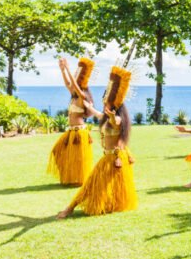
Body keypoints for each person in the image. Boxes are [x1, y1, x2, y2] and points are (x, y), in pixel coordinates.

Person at [57, 64, 137, 219]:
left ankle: (69, 209)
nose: (103, 101)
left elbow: (116, 121)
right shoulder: (104, 117)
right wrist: (88, 106)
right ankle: (77, 207)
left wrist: (112, 116)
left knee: (91, 183)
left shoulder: (117, 119)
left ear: (113, 104)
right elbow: (95, 113)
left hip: (114, 159)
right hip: (110, 157)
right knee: (100, 185)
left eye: (106, 99)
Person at [47, 58, 94, 186]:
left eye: (75, 80)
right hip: (71, 131)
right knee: (57, 151)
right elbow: (68, 83)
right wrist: (62, 70)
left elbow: (75, 85)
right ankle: (69, 176)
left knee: (78, 157)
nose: (72, 84)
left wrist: (68, 68)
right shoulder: (73, 96)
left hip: (79, 131)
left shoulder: (82, 96)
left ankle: (78, 180)